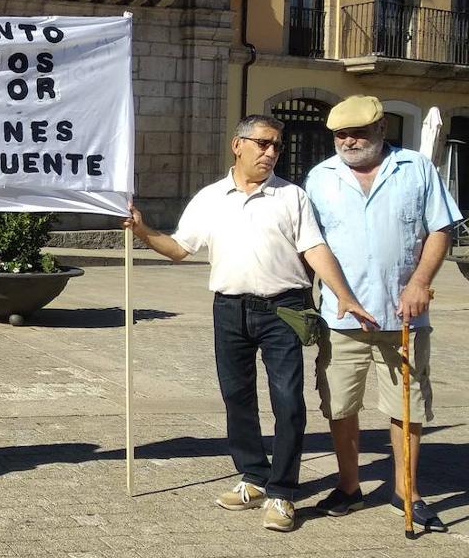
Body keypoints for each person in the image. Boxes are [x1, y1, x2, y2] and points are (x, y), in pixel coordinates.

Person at [124, 115, 375, 532]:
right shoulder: (210, 198)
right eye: (262, 144)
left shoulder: (291, 197)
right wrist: (143, 229)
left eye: (276, 145)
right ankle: (254, 477)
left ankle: (282, 493)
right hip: (229, 309)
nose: (271, 152)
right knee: (237, 398)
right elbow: (179, 249)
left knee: (289, 403)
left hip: (284, 310)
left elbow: (314, 248)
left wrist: (344, 295)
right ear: (237, 146)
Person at [305, 95, 462, 532]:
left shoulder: (416, 168)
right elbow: (308, 243)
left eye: (358, 132)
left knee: (406, 407)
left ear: (380, 130)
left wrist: (420, 283)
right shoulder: (320, 177)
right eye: (340, 134)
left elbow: (440, 229)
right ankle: (350, 486)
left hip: (403, 314)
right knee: (339, 405)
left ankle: (406, 492)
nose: (349, 141)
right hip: (342, 319)